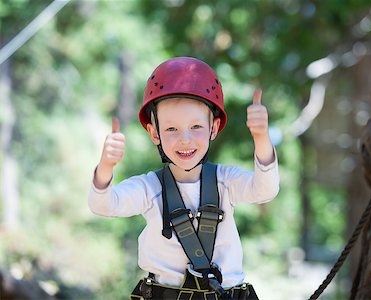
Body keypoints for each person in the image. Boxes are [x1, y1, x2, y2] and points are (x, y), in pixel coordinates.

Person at [88, 57, 279, 299]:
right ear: (154, 132)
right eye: (171, 129)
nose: (185, 139)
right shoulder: (149, 188)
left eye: (196, 127)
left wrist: (261, 138)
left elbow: (265, 189)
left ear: (214, 127)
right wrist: (106, 167)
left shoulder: (226, 182)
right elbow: (103, 205)